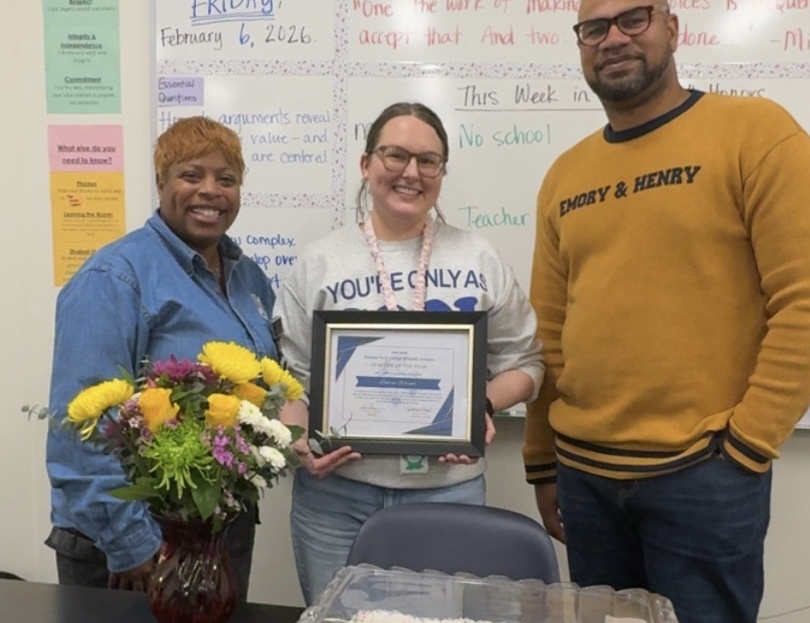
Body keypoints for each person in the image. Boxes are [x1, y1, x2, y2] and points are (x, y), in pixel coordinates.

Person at [522, 0, 810, 623]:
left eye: (632, 19)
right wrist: (542, 462)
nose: (613, 38)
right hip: (584, 476)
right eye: (593, 28)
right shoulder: (565, 174)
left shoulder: (757, 133)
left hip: (702, 476)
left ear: (672, 28)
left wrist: (744, 449)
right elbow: (550, 332)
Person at [275, 101, 544, 604]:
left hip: (449, 491)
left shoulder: (479, 257)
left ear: (442, 171)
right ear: (366, 163)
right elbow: (288, 379)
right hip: (337, 497)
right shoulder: (320, 262)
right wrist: (298, 443)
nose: (411, 173)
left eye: (428, 160)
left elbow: (528, 363)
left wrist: (481, 405)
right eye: (395, 155)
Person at [45, 116, 279, 598]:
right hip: (134, 542)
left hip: (218, 531)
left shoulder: (249, 279)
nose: (210, 190)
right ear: (161, 182)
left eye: (226, 179)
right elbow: (79, 427)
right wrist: (131, 544)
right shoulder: (115, 277)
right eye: (191, 175)